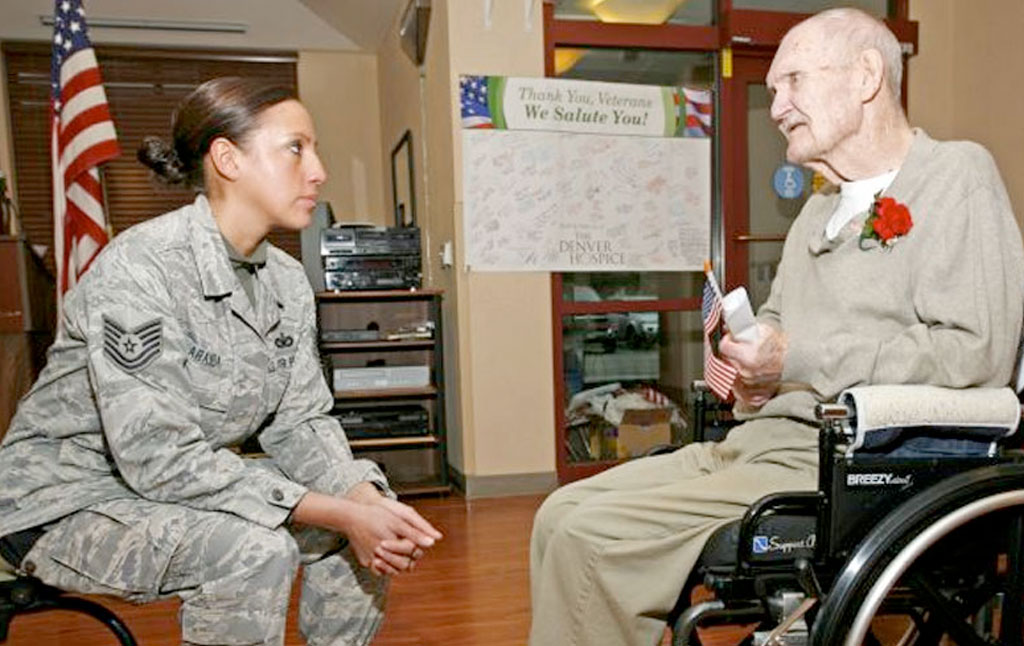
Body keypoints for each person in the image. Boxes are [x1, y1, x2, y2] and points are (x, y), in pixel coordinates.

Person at [529, 8, 1024, 646]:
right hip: (761, 440)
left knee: (589, 538)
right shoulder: (817, 209)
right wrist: (752, 362)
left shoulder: (957, 176)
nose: (777, 104)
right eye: (773, 91)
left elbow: (975, 353)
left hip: (852, 460)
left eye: (792, 80)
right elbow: (780, 324)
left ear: (866, 74)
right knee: (557, 511)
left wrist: (797, 356)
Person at [0, 77, 442, 646]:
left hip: (168, 484)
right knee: (253, 551)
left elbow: (301, 420)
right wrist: (332, 510)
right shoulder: (140, 268)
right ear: (228, 159)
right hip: (63, 500)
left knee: (364, 522)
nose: (318, 171)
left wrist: (359, 500)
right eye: (296, 148)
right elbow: (157, 455)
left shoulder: (285, 281)